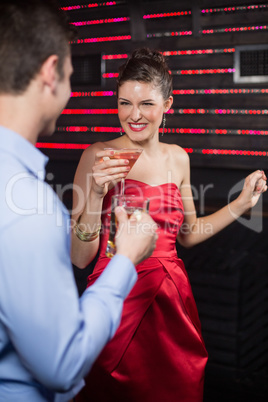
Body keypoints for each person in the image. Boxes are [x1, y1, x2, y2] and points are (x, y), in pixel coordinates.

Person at [71, 47, 267, 401]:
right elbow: (80, 257)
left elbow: (190, 235)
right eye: (124, 103)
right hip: (118, 298)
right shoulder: (98, 156)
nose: (133, 115)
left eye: (146, 103)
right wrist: (96, 195)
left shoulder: (179, 158)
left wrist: (241, 203)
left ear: (168, 105)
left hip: (172, 301)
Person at [0, 2, 158, 401]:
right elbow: (62, 364)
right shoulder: (27, 205)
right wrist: (126, 259)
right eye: (71, 74)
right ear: (51, 73)